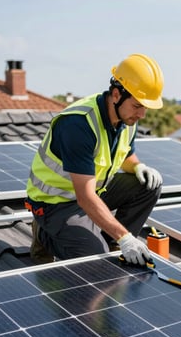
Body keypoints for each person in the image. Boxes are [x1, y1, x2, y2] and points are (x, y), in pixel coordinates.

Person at [26, 53, 164, 265]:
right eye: (138, 106)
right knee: (93, 259)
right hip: (57, 203)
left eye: (146, 107)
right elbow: (84, 197)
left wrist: (138, 166)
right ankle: (45, 235)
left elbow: (126, 154)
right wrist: (126, 237)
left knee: (149, 185)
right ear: (117, 95)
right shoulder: (78, 124)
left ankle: (112, 243)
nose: (142, 114)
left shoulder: (127, 119)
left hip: (94, 191)